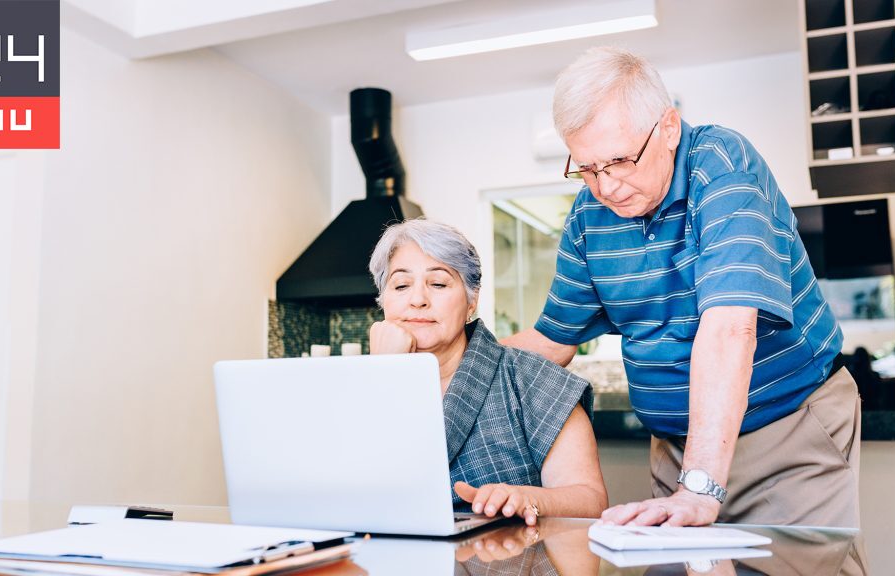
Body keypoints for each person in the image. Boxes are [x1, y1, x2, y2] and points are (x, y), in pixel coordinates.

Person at [502, 47, 861, 528]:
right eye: (586, 169)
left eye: (619, 162)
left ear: (668, 128)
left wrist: (699, 485)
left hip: (787, 429)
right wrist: (439, 363)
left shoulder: (720, 164)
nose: (605, 187)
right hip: (678, 449)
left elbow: (731, 327)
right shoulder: (589, 218)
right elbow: (550, 343)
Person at [368, 218, 608, 525]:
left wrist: (529, 499)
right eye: (401, 285)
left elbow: (591, 499)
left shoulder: (535, 381)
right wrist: (382, 374)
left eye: (438, 284)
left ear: (471, 301)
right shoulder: (360, 386)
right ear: (383, 301)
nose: (417, 300)